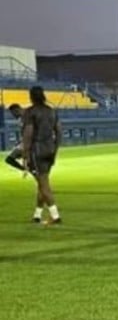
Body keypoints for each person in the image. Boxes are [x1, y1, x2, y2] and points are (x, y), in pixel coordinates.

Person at [21, 86, 63, 225]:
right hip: (50, 149)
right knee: (42, 182)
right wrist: (55, 149)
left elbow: (28, 133)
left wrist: (25, 153)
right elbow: (59, 132)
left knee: (43, 183)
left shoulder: (30, 112)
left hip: (36, 151)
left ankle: (55, 216)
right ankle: (37, 215)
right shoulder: (51, 111)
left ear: (31, 97)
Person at [4, 104, 27, 174]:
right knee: (9, 159)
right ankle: (26, 169)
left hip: (29, 143)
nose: (13, 115)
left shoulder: (26, 118)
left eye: (13, 113)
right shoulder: (21, 119)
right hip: (25, 143)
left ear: (17, 110)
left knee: (9, 159)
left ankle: (26, 169)